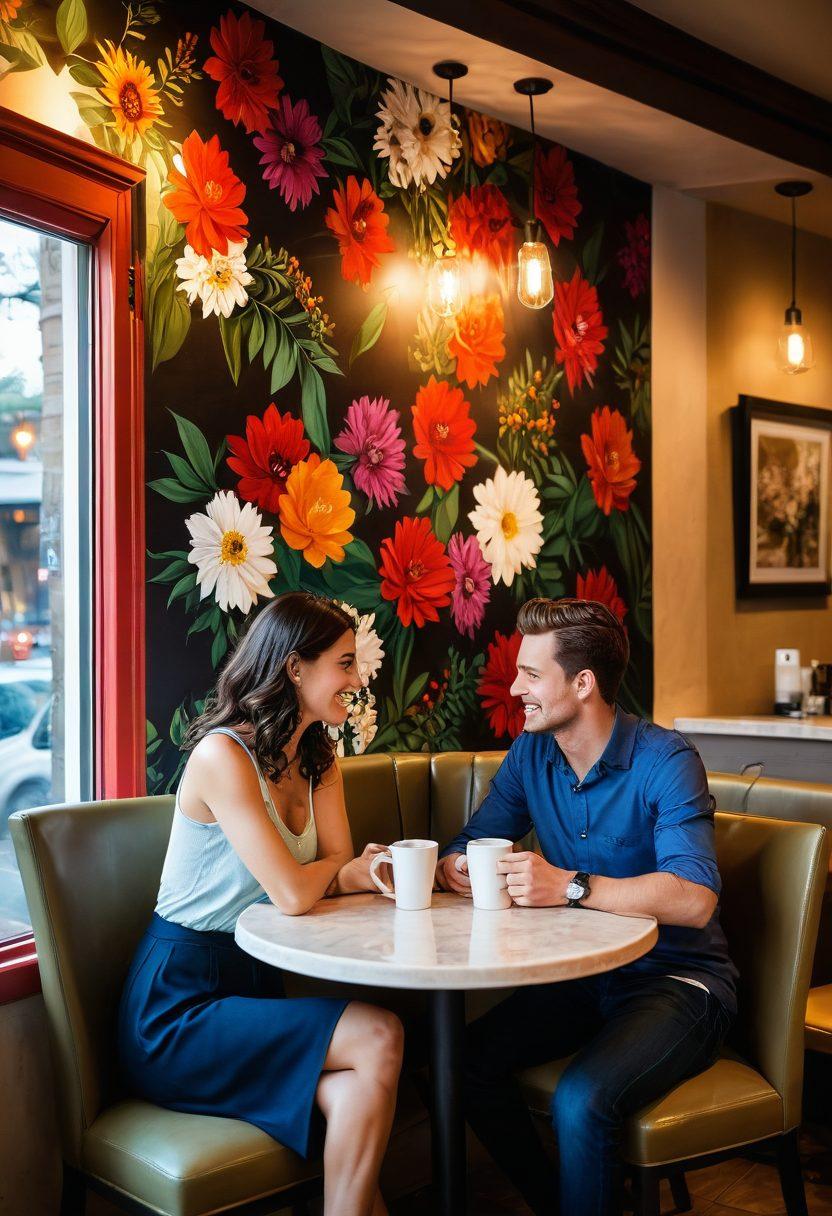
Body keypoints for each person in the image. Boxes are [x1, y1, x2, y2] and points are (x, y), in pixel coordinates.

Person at [436, 597, 738, 1216]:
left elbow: (696, 898)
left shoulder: (666, 759)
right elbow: (471, 841)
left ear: (583, 683)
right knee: (457, 1064)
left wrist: (571, 885)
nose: (514, 686)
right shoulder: (532, 754)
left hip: (679, 983)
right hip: (582, 978)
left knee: (581, 1100)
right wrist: (456, 868)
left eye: (530, 674)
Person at [119, 592, 403, 1216]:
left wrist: (335, 872)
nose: (358, 680)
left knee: (354, 1093)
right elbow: (301, 891)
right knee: (379, 1035)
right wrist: (332, 872)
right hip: (179, 1006)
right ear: (296, 668)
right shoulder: (222, 756)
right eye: (345, 663)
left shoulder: (318, 758)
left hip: (252, 989)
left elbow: (343, 868)